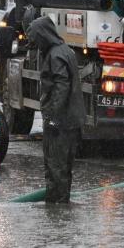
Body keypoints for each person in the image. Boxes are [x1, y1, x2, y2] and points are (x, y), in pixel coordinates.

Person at [26, 13, 85, 203]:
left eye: (36, 39)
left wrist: (52, 117)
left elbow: (61, 86)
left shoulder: (55, 55)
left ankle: (56, 206)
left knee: (55, 165)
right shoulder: (65, 50)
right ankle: (62, 204)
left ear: (43, 36)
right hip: (71, 120)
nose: (35, 44)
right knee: (64, 166)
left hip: (61, 122)